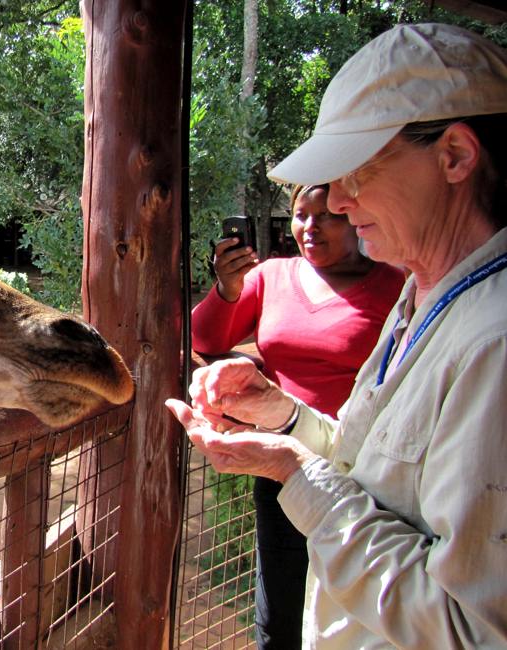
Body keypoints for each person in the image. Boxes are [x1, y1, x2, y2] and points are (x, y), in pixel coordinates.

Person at [168, 22, 507, 648]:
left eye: (359, 170)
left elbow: (469, 628)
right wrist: (283, 415)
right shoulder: (420, 296)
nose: (341, 202)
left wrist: (297, 474)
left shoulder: (494, 340)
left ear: (455, 155)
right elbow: (362, 464)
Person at [192, 184, 403, 648]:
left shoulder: (398, 285)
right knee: (279, 610)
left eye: (327, 216)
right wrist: (227, 289)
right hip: (283, 464)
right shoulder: (272, 276)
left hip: (361, 469)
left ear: (356, 215)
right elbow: (205, 340)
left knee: (354, 606)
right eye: (300, 215)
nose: (309, 228)